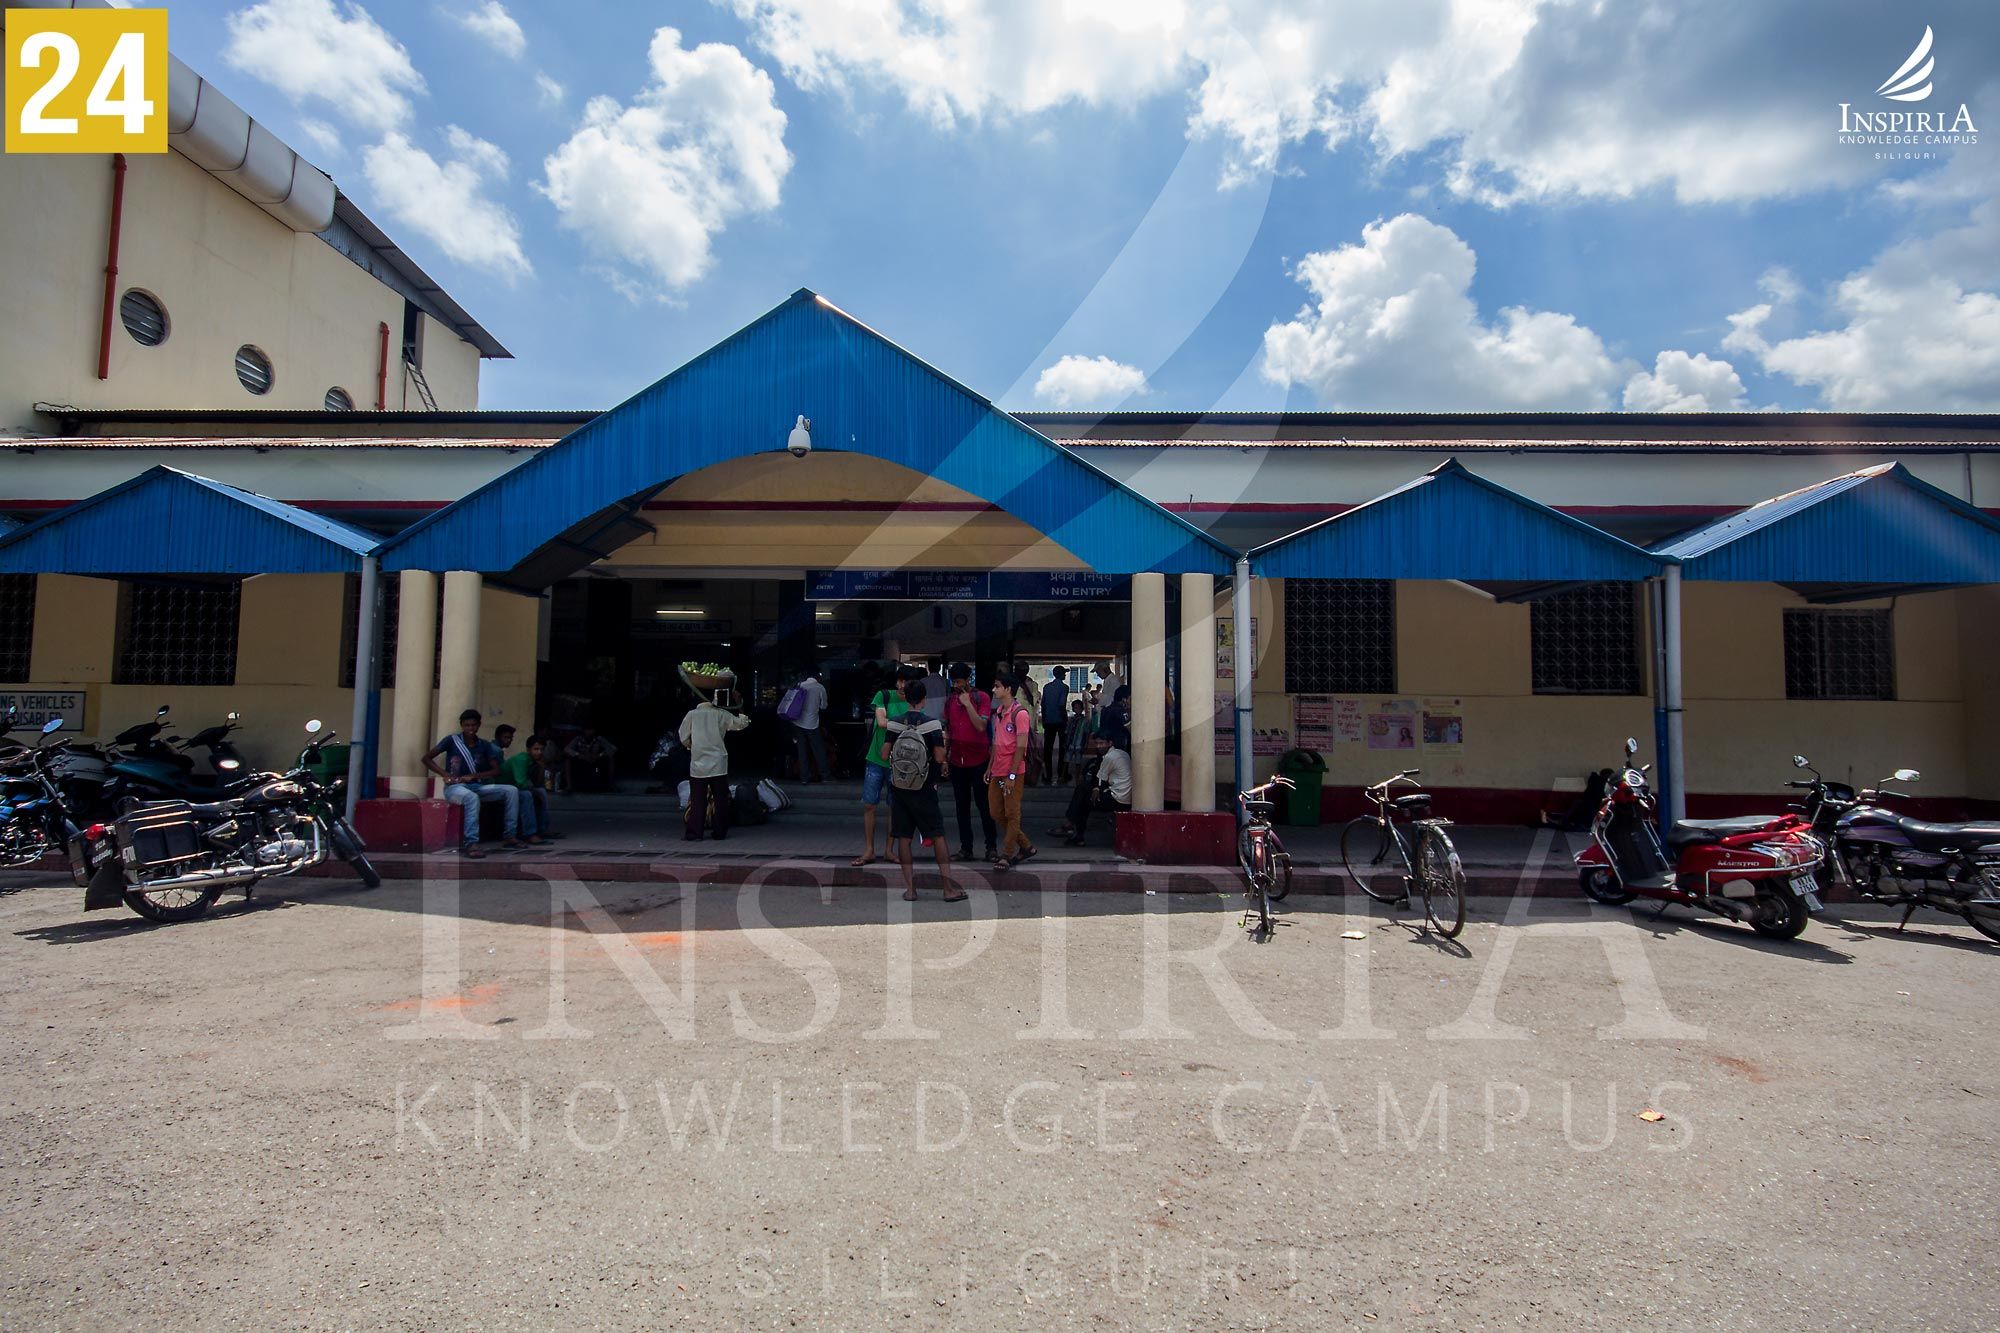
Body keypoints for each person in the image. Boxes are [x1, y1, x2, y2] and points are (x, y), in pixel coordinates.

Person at [883, 681, 965, 902]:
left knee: (903, 838)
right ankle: (948, 889)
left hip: (899, 787)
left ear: (905, 698)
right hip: (925, 787)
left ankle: (910, 890)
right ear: (924, 699)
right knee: (937, 835)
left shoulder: (894, 724)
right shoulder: (932, 724)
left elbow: (884, 754)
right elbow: (939, 757)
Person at [423, 708, 521, 859]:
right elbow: (427, 758)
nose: (470, 728)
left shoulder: (484, 745)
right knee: (471, 798)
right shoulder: (452, 740)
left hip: (477, 786)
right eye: (467, 725)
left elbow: (496, 771)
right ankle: (471, 843)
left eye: (473, 725)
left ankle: (510, 835)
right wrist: (445, 774)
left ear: (479, 725)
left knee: (511, 790)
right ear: (462, 725)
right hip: (455, 788)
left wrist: (473, 776)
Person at [854, 665, 919, 866]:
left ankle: (888, 850)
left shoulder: (913, 700)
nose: (901, 685)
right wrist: (907, 724)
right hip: (876, 758)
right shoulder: (884, 695)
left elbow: (887, 722)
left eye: (905, 682)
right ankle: (869, 850)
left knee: (894, 807)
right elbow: (881, 723)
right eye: (899, 681)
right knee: (869, 804)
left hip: (899, 763)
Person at [678, 687, 751, 841]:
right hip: (718, 763)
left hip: (698, 765)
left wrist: (692, 746)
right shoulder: (720, 714)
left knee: (698, 800)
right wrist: (739, 703)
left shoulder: (692, 715)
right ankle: (720, 832)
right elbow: (742, 723)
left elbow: (683, 736)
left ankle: (694, 833)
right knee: (720, 800)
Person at [941, 661, 996, 862]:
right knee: (961, 807)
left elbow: (981, 726)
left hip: (979, 759)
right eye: (953, 682)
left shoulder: (981, 697)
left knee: (984, 806)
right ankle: (967, 848)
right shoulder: (949, 702)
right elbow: (947, 730)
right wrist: (945, 758)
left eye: (959, 681)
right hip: (957, 759)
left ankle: (991, 846)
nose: (956, 685)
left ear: (967, 679)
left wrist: (967, 704)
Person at [986, 671, 1037, 869]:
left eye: (997, 686)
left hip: (1011, 771)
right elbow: (996, 743)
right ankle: (1026, 846)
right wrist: (990, 767)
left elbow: (1021, 747)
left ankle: (1007, 854)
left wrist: (1012, 774)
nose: (994, 689)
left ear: (1008, 689)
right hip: (998, 770)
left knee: (1012, 813)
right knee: (996, 812)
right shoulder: (999, 713)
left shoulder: (1020, 713)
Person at [1060, 734, 1132, 845]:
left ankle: (1071, 825)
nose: (1099, 746)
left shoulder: (1109, 757)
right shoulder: (1122, 753)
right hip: (1124, 797)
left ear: (1110, 743)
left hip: (1118, 799)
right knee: (1084, 798)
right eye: (1097, 743)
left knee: (1082, 792)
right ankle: (1075, 831)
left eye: (1102, 743)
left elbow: (1100, 779)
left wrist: (1096, 789)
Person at [500, 733, 557, 844]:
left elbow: (538, 783)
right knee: (527, 795)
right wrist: (534, 791)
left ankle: (542, 829)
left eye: (542, 749)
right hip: (504, 787)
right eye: (536, 749)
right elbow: (520, 783)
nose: (539, 752)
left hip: (515, 788)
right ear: (528, 749)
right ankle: (530, 833)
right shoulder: (521, 759)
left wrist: (542, 767)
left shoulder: (534, 761)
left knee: (541, 791)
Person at [790, 667, 830, 784]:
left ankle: (804, 777)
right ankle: (825, 775)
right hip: (812, 723)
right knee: (818, 749)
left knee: (802, 750)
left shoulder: (800, 685)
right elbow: (824, 706)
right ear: (818, 676)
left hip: (797, 722)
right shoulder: (819, 687)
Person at [1040, 666, 1071, 782]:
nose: (1065, 675)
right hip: (1060, 720)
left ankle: (1048, 775)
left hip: (1048, 720)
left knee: (1048, 748)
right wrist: (1065, 721)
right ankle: (1061, 774)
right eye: (1064, 673)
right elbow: (1061, 704)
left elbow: (1043, 705)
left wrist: (1043, 719)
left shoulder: (1047, 687)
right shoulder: (1064, 687)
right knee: (1063, 748)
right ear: (1062, 674)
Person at [565, 726, 616, 792]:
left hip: (596, 761)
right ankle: (569, 786)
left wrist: (599, 755)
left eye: (591, 730)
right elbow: (566, 749)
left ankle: (611, 785)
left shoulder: (599, 739)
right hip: (582, 761)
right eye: (587, 730)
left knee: (610, 757)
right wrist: (579, 755)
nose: (589, 732)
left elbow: (613, 748)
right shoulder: (578, 739)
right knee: (567, 759)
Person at [1062, 696, 1091, 782]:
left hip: (1079, 744)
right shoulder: (1071, 720)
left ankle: (1077, 778)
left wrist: (1085, 744)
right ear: (1073, 709)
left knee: (1078, 762)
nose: (1077, 709)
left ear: (1082, 709)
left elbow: (1086, 733)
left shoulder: (1085, 721)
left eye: (1078, 708)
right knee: (1066, 760)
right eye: (1075, 708)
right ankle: (1063, 776)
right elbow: (1067, 731)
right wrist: (1065, 741)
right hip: (1070, 743)